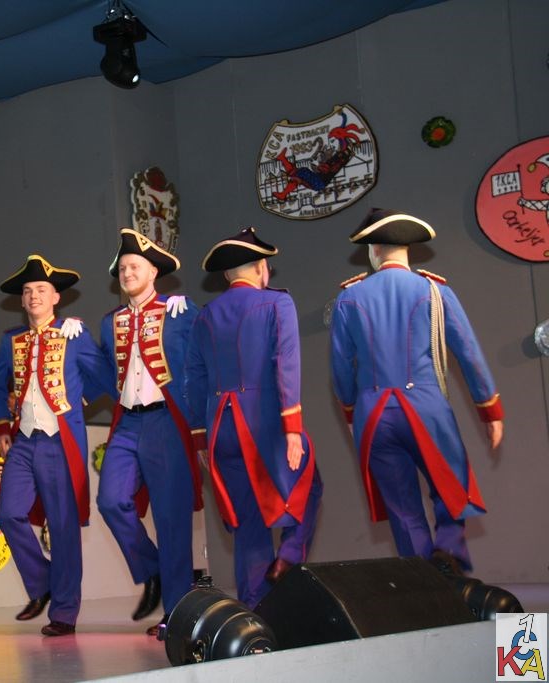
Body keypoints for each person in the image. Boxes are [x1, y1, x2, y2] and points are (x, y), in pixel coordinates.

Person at [329, 209, 504, 573]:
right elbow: (468, 353)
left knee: (403, 508)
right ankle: (448, 553)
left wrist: (350, 412)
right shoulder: (434, 291)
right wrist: (489, 409)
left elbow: (341, 368)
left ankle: (426, 583)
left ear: (375, 250)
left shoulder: (350, 297)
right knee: (452, 485)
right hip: (424, 406)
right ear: (407, 248)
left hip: (374, 414)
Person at [186, 227, 322, 609]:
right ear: (262, 268)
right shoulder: (277, 303)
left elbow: (193, 379)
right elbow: (286, 363)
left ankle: (256, 609)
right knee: (309, 486)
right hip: (264, 424)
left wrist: (200, 438)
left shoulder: (205, 316)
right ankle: (289, 556)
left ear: (226, 275)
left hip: (221, 430)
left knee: (248, 521)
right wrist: (292, 427)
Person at [0, 254, 114, 637]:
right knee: (8, 514)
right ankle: (43, 584)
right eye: (28, 291)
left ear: (56, 297)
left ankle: (64, 611)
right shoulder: (10, 340)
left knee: (63, 528)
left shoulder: (73, 334)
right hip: (24, 440)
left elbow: (106, 376)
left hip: (60, 442)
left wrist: (79, 396)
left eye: (41, 289)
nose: (34, 296)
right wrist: (0, 427)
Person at [96, 229, 204, 635]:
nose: (127, 273)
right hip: (128, 422)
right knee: (110, 500)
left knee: (171, 519)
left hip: (166, 422)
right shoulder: (110, 323)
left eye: (134, 266)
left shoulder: (179, 311)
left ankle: (176, 613)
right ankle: (153, 568)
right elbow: (98, 370)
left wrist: (193, 311)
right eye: (122, 268)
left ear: (154, 271)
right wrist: (70, 331)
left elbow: (202, 359)